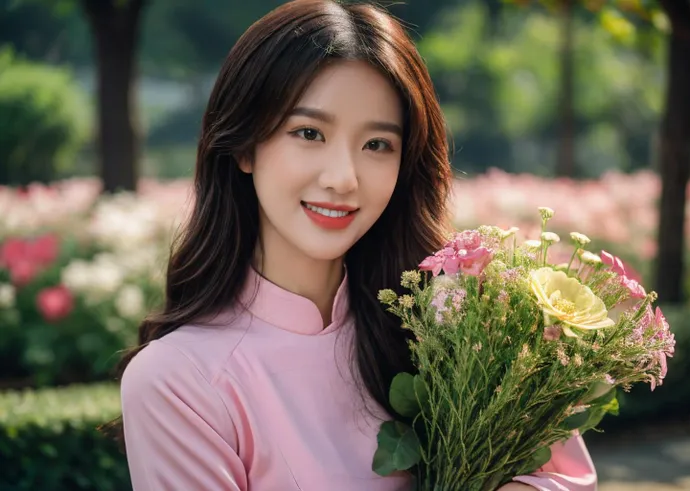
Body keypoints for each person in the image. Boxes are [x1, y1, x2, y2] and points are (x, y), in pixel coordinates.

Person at [113, 0, 598, 489]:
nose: (344, 179)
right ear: (244, 145)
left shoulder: (456, 320)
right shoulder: (178, 382)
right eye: (309, 133)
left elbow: (565, 477)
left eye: (376, 145)